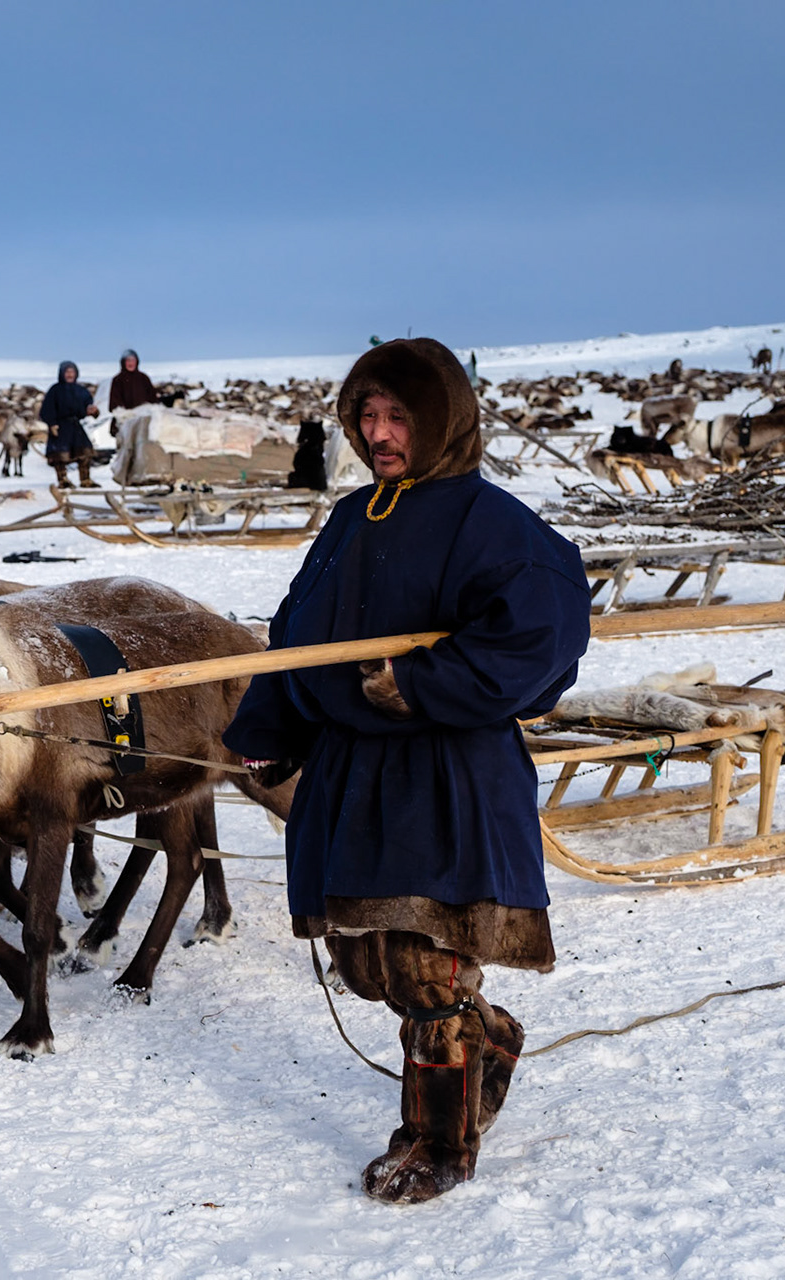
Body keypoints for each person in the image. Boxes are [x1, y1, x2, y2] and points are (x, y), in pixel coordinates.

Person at [222, 338, 591, 1204]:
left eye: (399, 418)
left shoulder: (491, 523)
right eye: (367, 416)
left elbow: (544, 640)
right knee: (370, 964)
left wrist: (419, 683)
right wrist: (268, 724)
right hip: (353, 775)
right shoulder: (354, 517)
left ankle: (437, 1142)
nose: (379, 434)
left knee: (430, 969)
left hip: (443, 769)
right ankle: (487, 1040)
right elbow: (299, 638)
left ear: (444, 422)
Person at [39, 360, 98, 487]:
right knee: (59, 455)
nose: (69, 375)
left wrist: (91, 410)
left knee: (85, 451)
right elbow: (47, 409)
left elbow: (88, 404)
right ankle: (63, 480)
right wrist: (52, 423)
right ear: (61, 374)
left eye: (72, 372)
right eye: (67, 372)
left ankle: (85, 479)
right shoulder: (55, 390)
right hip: (60, 426)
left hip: (75, 425)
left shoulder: (81, 390)